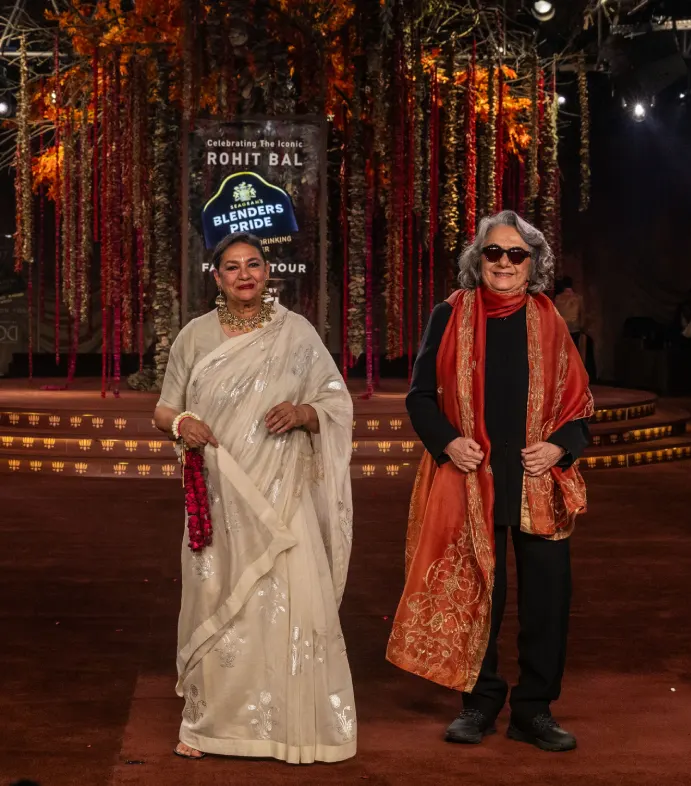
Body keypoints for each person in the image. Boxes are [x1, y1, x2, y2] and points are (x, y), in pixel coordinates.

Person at [387, 211, 594, 753]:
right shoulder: (449, 314)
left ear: (533, 264)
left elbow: (578, 407)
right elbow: (420, 397)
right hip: (468, 479)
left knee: (547, 600)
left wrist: (559, 447)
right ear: (477, 260)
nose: (504, 263)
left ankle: (534, 711)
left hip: (536, 480)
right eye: (493, 252)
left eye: (516, 254)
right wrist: (448, 442)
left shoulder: (549, 319)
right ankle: (478, 704)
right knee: (480, 592)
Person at [153, 232, 356, 764]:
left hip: (283, 493)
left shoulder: (297, 333)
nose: (244, 274)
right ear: (216, 277)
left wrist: (305, 413)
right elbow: (163, 409)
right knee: (218, 600)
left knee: (289, 605)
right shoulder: (195, 337)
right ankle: (208, 728)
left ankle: (292, 729)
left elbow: (336, 403)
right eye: (232, 267)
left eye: (253, 264)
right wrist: (182, 422)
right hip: (220, 496)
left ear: (267, 272)